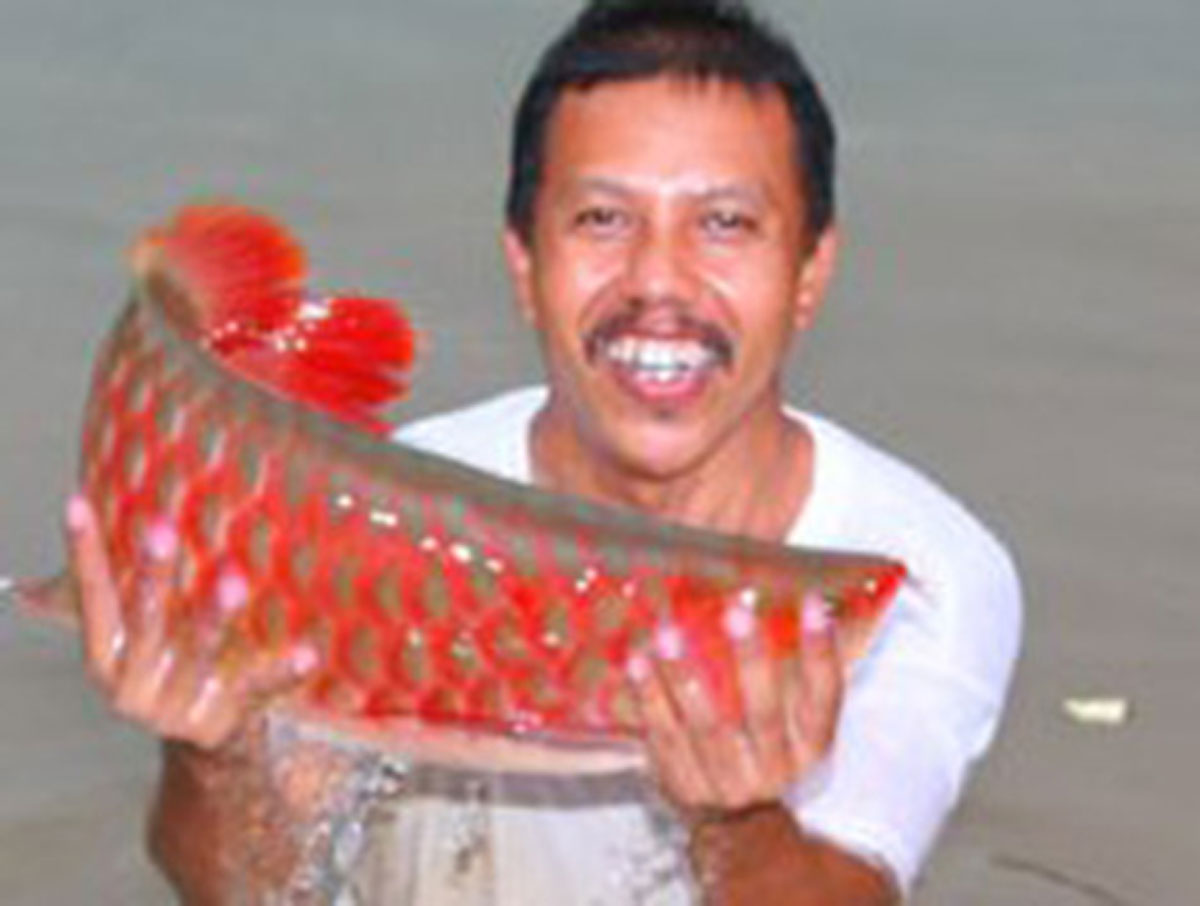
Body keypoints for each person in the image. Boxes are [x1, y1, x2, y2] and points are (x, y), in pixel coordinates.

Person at [63, 1, 1022, 903]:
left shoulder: (926, 574)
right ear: (524, 265)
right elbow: (250, 887)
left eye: (725, 223)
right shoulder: (389, 517)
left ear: (809, 272)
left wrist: (737, 823)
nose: (658, 281)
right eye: (602, 219)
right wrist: (210, 756)